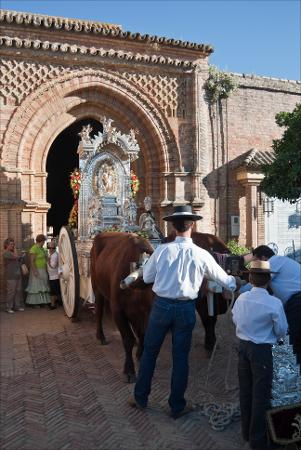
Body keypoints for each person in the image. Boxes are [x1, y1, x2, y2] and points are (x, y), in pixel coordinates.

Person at [129, 204, 239, 419]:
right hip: (185, 309)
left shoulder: (161, 251)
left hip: (161, 307)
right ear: (193, 225)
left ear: (173, 227)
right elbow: (225, 279)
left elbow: (148, 278)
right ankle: (176, 406)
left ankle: (140, 398)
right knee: (181, 358)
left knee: (150, 354)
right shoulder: (202, 254)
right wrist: (237, 283)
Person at [232, 260, 288, 450]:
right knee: (260, 396)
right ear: (268, 280)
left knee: (246, 392)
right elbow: (281, 330)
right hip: (262, 351)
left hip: (243, 348)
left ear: (250, 278)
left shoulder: (241, 298)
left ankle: (246, 434)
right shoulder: (274, 303)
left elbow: (235, 319)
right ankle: (257, 442)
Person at [249, 245, 301, 367]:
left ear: (263, 257)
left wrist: (238, 288)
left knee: (296, 339)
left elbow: (257, 283)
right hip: (295, 302)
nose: (255, 264)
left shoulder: (274, 261)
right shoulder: (282, 261)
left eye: (255, 260)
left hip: (297, 302)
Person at [26, 234, 51, 307]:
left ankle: (42, 302)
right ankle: (34, 303)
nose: (44, 243)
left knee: (43, 285)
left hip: (43, 269)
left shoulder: (42, 248)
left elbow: (46, 258)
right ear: (41, 241)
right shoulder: (34, 248)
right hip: (36, 270)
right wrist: (35, 271)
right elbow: (32, 261)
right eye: (44, 241)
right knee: (36, 287)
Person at [3, 238, 24, 313]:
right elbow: (16, 257)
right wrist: (16, 251)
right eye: (11, 244)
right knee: (11, 292)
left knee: (18, 291)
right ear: (6, 245)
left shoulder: (12, 252)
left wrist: (20, 257)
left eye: (13, 244)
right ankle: (8, 308)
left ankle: (17, 307)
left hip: (17, 274)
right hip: (11, 276)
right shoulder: (6, 253)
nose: (13, 245)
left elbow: (18, 260)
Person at [47, 240, 61, 310]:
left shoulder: (54, 255)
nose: (50, 249)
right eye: (49, 248)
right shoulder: (53, 254)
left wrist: (48, 261)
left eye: (52, 248)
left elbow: (53, 266)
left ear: (55, 248)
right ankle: (57, 302)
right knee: (55, 290)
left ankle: (53, 305)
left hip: (54, 276)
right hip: (53, 275)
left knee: (53, 291)